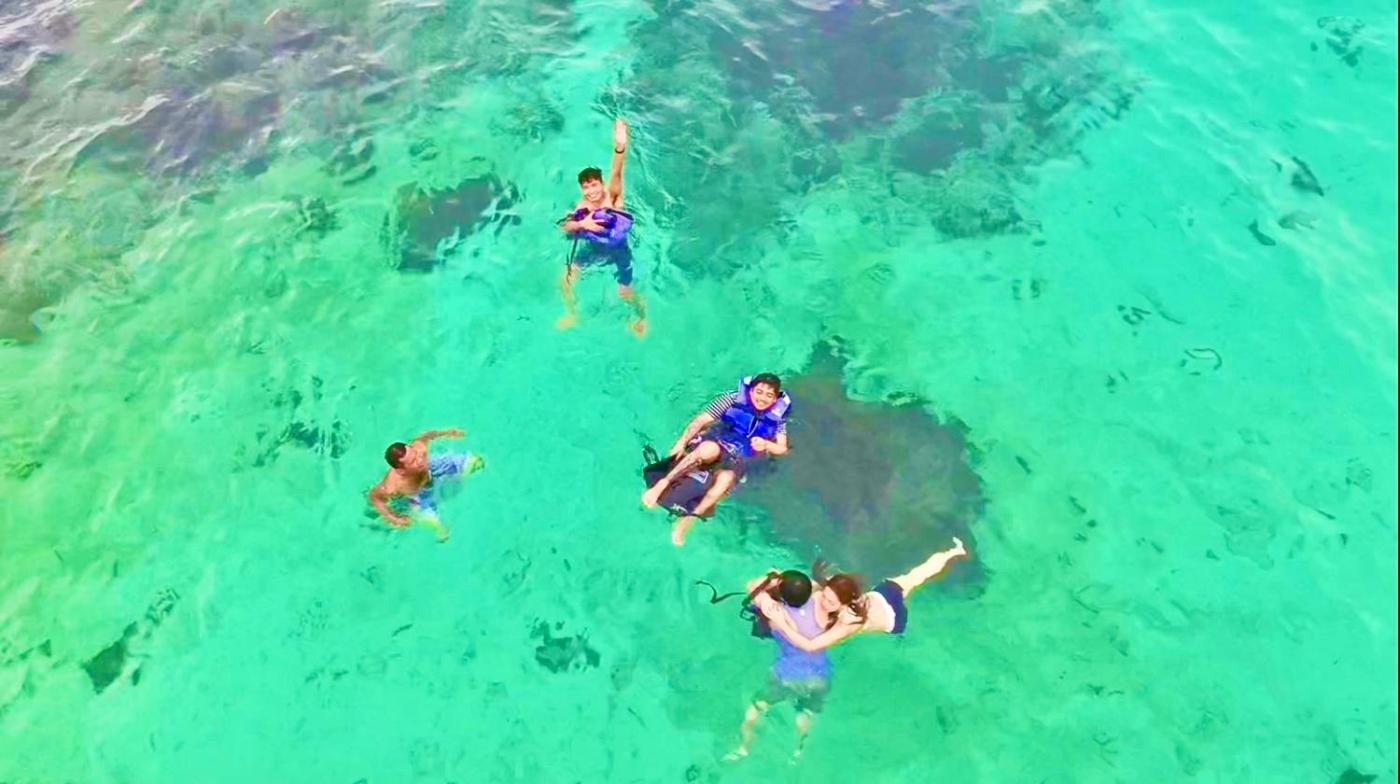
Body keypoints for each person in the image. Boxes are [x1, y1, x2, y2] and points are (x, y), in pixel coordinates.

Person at [641, 374, 793, 546]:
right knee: (708, 449)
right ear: (750, 391)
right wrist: (681, 442)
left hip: (738, 456)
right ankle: (663, 484)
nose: (763, 398)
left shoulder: (778, 418)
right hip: (716, 440)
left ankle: (691, 518)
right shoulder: (732, 398)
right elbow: (700, 420)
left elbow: (782, 448)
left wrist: (766, 444)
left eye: (769, 395)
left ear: (775, 398)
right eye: (759, 392)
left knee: (726, 479)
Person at [754, 538, 970, 650]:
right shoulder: (836, 590)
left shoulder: (849, 621)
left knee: (916, 580)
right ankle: (954, 552)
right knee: (914, 576)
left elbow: (811, 646)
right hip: (880, 595)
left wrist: (780, 623)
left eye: (831, 602)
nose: (824, 602)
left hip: (893, 619)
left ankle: (953, 553)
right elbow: (813, 587)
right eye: (826, 596)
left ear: (845, 602)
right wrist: (782, 579)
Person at [726, 570, 831, 763]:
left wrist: (775, 577)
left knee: (758, 705)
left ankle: (744, 748)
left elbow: (752, 585)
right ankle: (798, 751)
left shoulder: (775, 611)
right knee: (805, 710)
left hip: (787, 675)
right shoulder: (821, 605)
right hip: (820, 675)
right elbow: (815, 587)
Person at [558, 117, 646, 336]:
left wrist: (620, 146)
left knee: (624, 292)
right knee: (565, 281)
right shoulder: (582, 207)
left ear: (601, 184)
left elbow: (616, 171)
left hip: (619, 251)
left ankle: (640, 318)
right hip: (594, 250)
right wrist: (582, 223)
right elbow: (564, 227)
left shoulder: (612, 197)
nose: (591, 191)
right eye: (586, 187)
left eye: (594, 185)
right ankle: (572, 314)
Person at [367, 428, 483, 542]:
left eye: (415, 454)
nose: (420, 460)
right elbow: (374, 496)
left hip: (431, 469)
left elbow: (427, 435)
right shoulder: (393, 485)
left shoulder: (419, 449)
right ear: (401, 471)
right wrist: (393, 518)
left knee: (474, 461)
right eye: (413, 461)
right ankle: (438, 528)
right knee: (433, 523)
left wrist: (448, 432)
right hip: (417, 494)